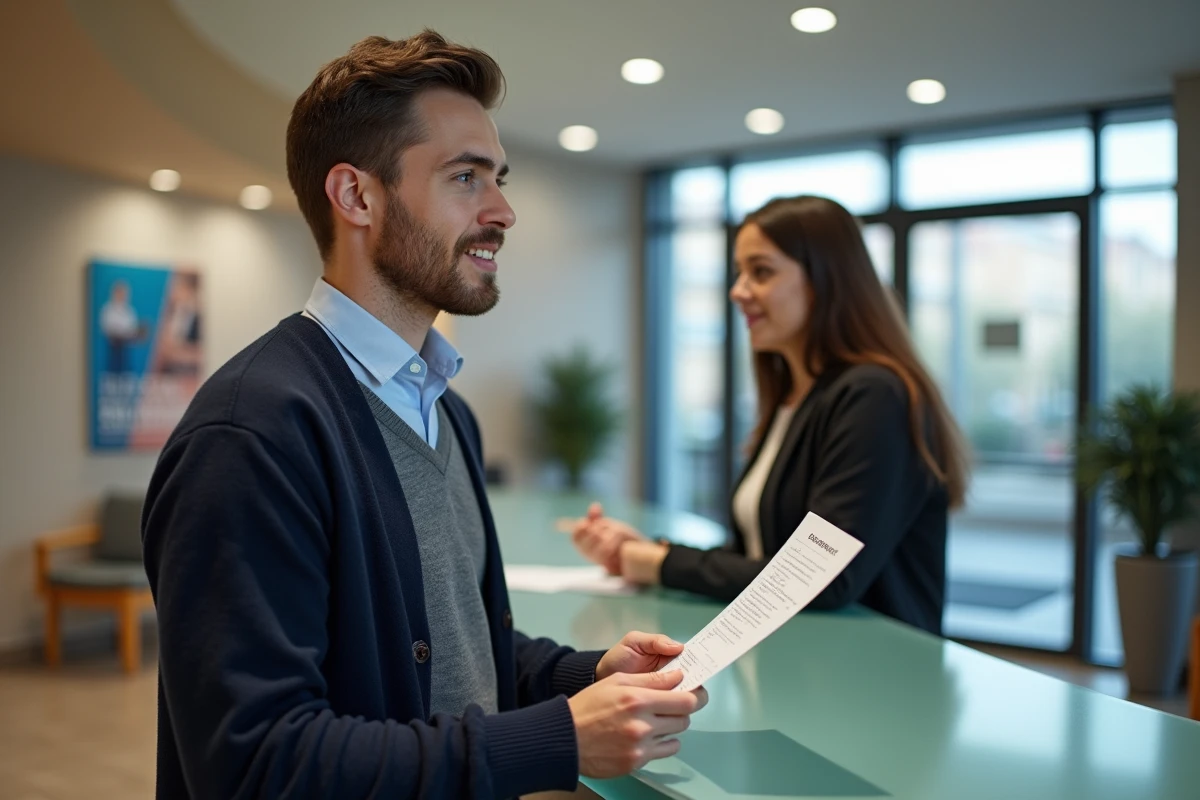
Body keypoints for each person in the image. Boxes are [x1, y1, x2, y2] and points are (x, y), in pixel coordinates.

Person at [141, 31, 706, 800]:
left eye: (497, 178)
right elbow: (256, 763)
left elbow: (463, 647)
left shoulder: (445, 410)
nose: (503, 210)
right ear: (357, 197)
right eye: (466, 177)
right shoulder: (254, 434)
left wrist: (586, 673)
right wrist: (557, 739)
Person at [572, 195, 970, 635]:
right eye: (741, 272)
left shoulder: (874, 395)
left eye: (761, 272)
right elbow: (763, 556)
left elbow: (821, 579)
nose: (738, 290)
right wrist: (651, 551)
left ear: (826, 280)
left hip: (870, 679)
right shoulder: (794, 398)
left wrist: (655, 562)